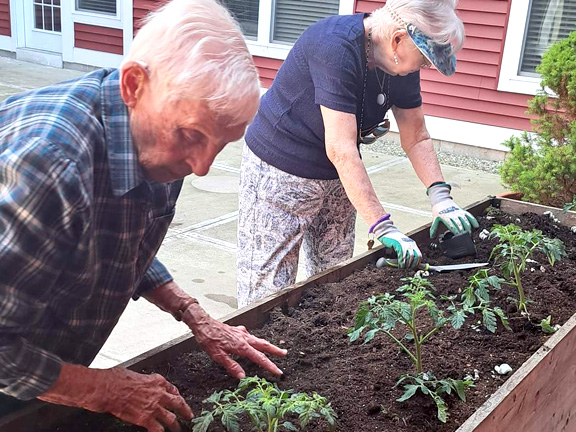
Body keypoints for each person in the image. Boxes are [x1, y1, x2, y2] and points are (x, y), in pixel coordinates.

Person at [0, 0, 286, 431]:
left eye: (221, 144)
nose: (203, 165)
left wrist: (196, 317)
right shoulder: (50, 165)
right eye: (192, 136)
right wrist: (105, 389)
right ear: (133, 84)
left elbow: (117, 237)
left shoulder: (157, 143)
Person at [237, 0, 479, 308]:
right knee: (268, 289)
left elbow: (416, 136)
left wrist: (440, 197)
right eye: (425, 58)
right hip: (280, 169)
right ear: (397, 39)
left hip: (339, 173)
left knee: (334, 279)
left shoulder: (399, 65)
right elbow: (341, 149)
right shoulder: (334, 47)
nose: (427, 66)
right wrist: (383, 226)